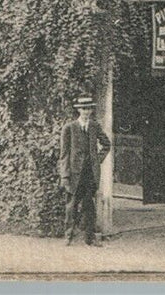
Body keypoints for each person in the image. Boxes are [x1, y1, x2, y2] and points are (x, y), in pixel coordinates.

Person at [58, 94, 111, 246]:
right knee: (71, 206)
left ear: (91, 111)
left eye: (88, 109)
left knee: (89, 206)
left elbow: (106, 144)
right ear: (78, 110)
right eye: (83, 109)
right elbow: (64, 154)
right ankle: (68, 236)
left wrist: (97, 159)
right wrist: (65, 176)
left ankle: (90, 238)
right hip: (74, 174)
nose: (86, 112)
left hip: (90, 173)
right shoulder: (69, 128)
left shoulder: (95, 126)